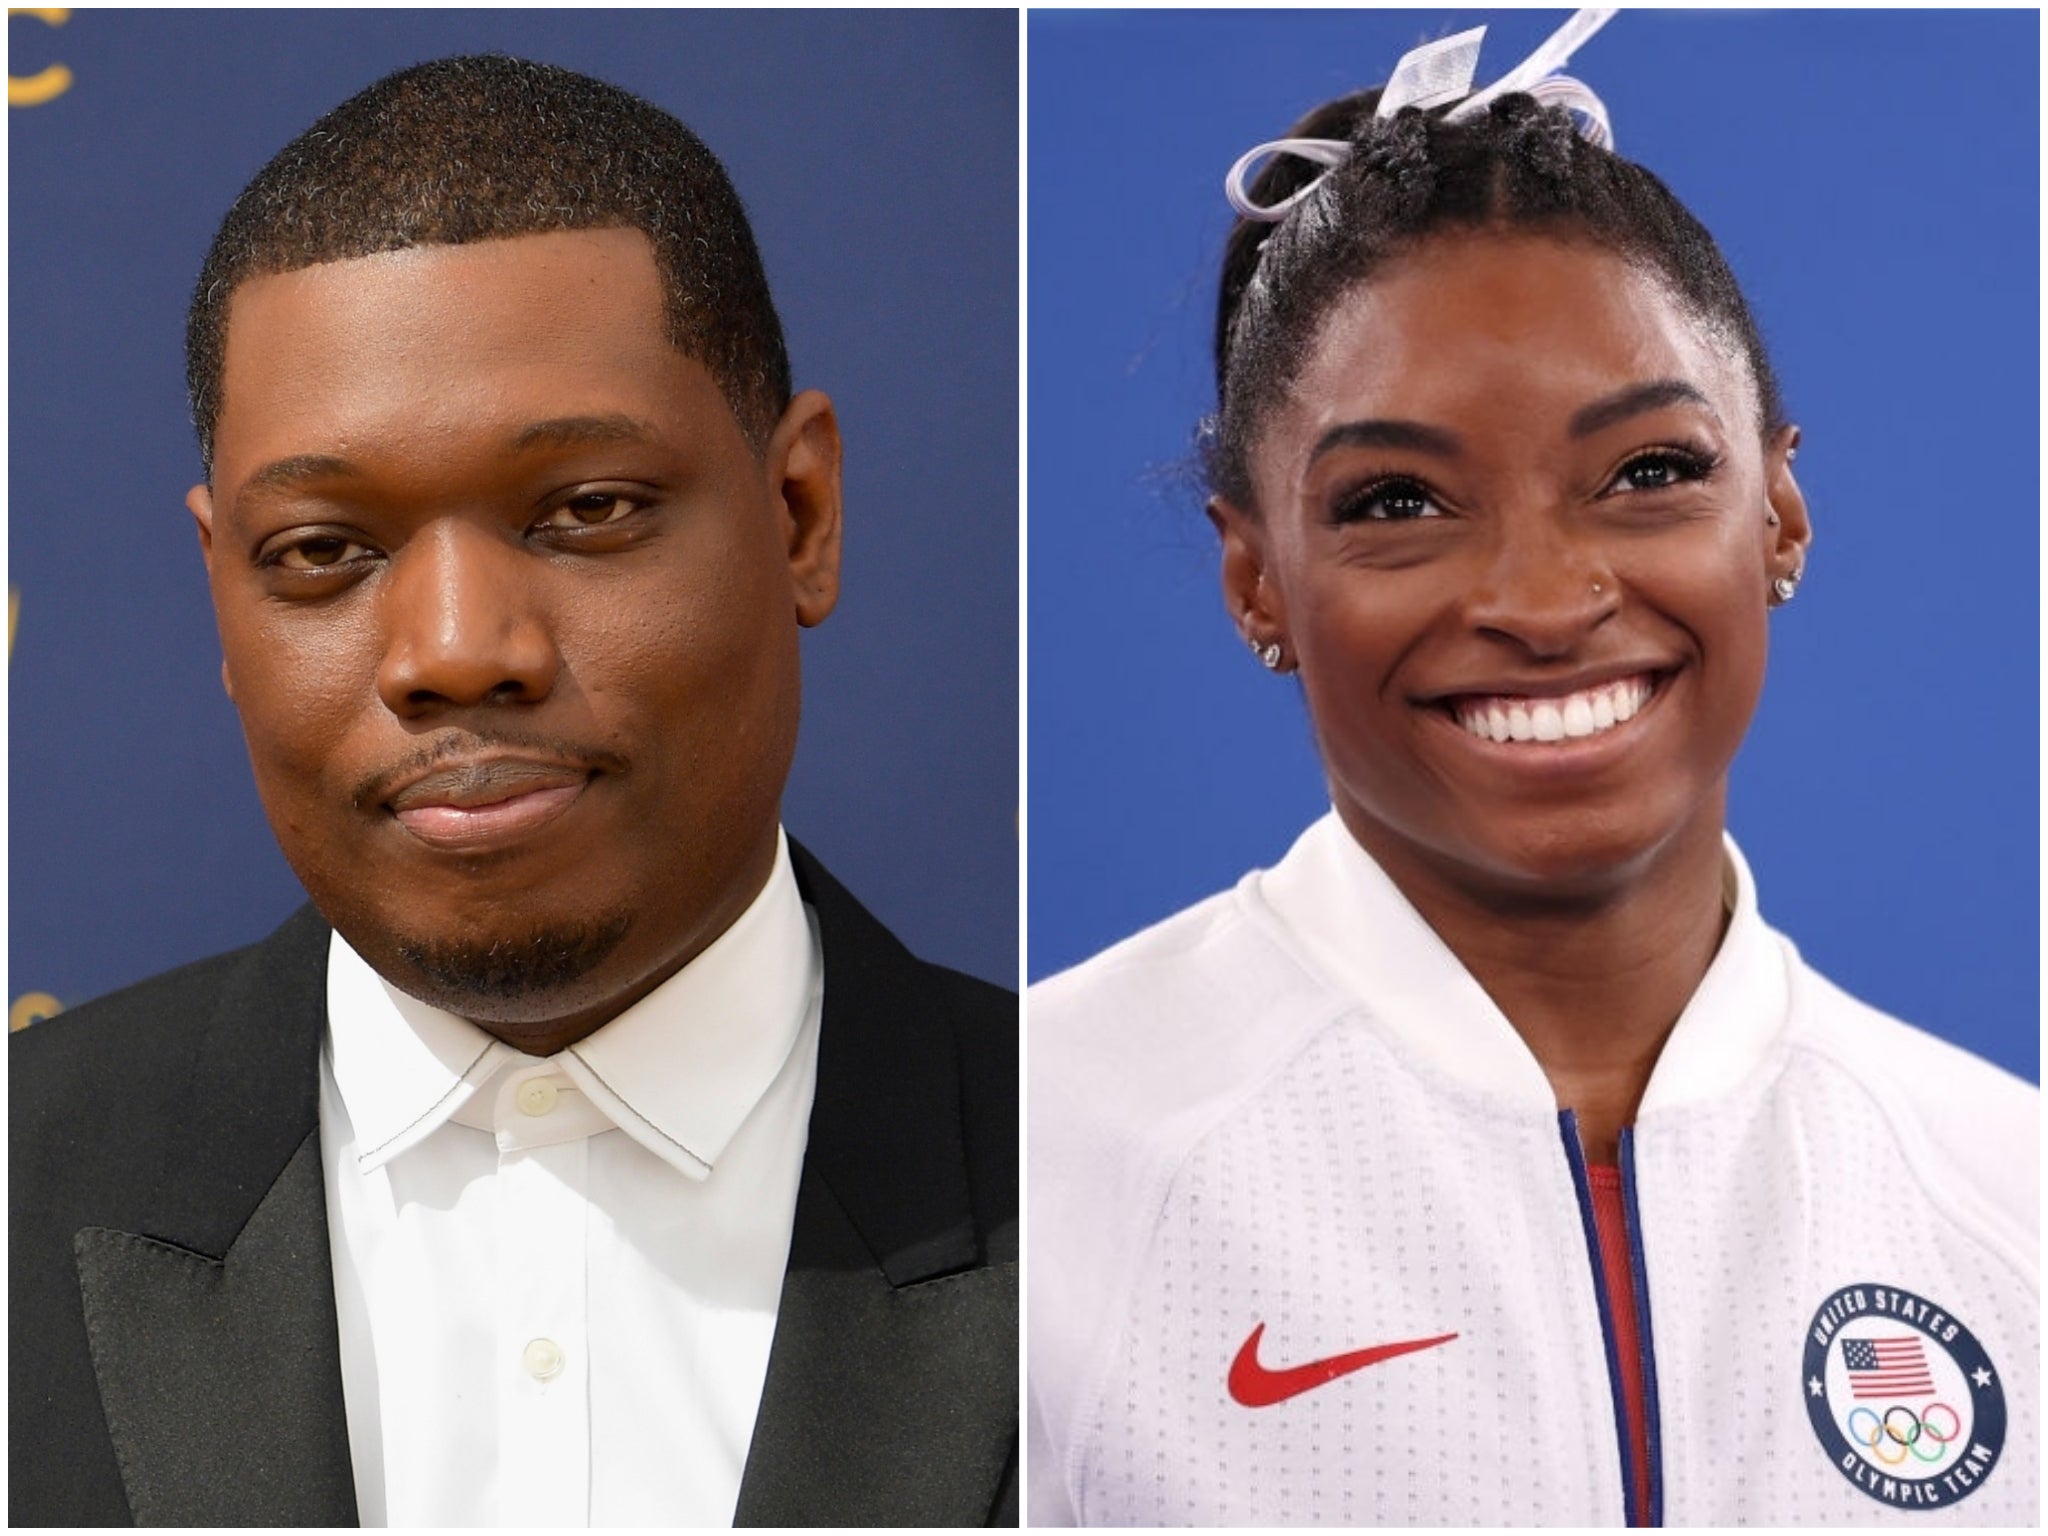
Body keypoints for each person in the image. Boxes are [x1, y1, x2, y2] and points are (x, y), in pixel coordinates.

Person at [1028, 13, 2034, 1527]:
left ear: (1780, 515)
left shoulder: (2008, 1195)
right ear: (1256, 580)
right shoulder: (1034, 1172)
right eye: (1398, 499)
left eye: (1651, 472)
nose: (1545, 599)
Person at [13, 56, 1016, 1528]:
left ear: (800, 513)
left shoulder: (1135, 1196)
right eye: (323, 551)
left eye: (588, 511)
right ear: (219, 591)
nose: (455, 653)